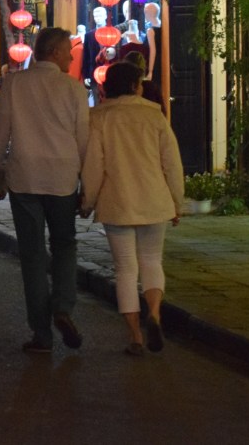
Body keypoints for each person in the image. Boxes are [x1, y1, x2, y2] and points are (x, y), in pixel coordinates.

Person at [0, 27, 90, 353]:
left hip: (25, 177)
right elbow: (84, 140)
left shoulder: (16, 84)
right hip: (62, 178)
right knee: (65, 244)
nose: (71, 56)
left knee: (32, 254)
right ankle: (63, 306)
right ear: (54, 52)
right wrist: (88, 186)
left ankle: (42, 333)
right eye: (67, 50)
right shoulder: (73, 89)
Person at [79, 62, 184, 356]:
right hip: (155, 199)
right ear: (135, 86)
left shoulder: (99, 117)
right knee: (152, 260)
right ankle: (155, 313)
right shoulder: (154, 115)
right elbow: (172, 163)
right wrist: (177, 202)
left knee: (125, 268)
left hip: (117, 202)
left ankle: (136, 336)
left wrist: (87, 202)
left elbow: (94, 165)